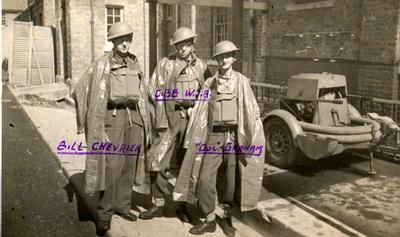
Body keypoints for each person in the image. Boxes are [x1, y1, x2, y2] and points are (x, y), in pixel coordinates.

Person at [172, 41, 265, 237]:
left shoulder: (242, 81)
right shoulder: (210, 83)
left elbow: (251, 111)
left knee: (230, 182)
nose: (224, 59)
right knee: (205, 178)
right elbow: (200, 111)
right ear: (216, 60)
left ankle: (227, 217)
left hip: (233, 138)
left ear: (234, 58)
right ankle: (209, 218)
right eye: (220, 56)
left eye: (228, 56)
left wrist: (250, 138)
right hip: (213, 137)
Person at [73, 22, 153, 236]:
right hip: (112, 118)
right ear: (113, 41)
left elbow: (144, 91)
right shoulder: (102, 64)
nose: (125, 43)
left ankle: (123, 206)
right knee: (111, 168)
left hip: (133, 118)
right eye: (120, 39)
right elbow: (81, 88)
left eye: (128, 39)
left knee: (130, 164)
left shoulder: (135, 62)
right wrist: (90, 123)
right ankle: (104, 215)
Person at [139, 27, 211, 222]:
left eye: (187, 44)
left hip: (192, 119)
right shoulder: (165, 64)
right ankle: (158, 203)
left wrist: (196, 109)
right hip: (170, 117)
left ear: (193, 45)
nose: (183, 48)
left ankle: (183, 206)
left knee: (187, 162)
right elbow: (152, 90)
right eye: (179, 44)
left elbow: (209, 90)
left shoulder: (201, 66)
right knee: (159, 159)